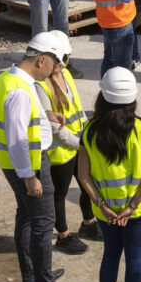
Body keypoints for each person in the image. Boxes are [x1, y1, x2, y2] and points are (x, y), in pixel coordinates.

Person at [0, 34, 85, 282]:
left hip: (15, 164)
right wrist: (29, 176)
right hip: (29, 163)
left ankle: (33, 274)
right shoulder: (21, 91)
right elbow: (18, 137)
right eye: (55, 62)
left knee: (27, 217)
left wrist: (46, 117)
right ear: (41, 59)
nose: (56, 68)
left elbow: (18, 120)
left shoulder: (7, 79)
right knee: (43, 223)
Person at [78, 67, 141, 282]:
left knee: (111, 254)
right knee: (134, 256)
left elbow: (83, 176)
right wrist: (132, 206)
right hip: (139, 209)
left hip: (106, 210)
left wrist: (101, 205)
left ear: (102, 97)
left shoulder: (88, 131)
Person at [38, 31, 93, 253]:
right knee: (59, 195)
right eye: (59, 60)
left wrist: (86, 134)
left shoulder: (67, 76)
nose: (61, 64)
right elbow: (52, 125)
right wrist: (76, 141)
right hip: (61, 150)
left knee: (87, 185)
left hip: (78, 143)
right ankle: (63, 235)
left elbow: (77, 108)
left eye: (64, 60)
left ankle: (88, 223)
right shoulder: (40, 86)